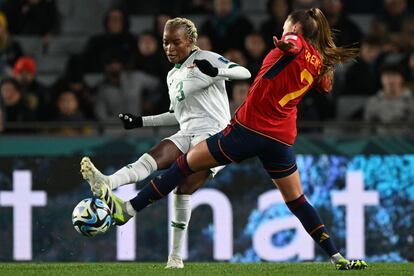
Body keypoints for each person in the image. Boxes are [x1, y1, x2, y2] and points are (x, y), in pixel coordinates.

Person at [82, 9, 368, 270]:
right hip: (280, 139)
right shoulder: (316, 59)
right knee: (297, 200)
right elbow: (326, 87)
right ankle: (337, 257)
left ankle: (128, 210)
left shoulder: (293, 40)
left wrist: (287, 44)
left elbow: (290, 43)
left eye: (285, 27)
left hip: (248, 130)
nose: (282, 32)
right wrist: (323, 61)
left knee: (184, 165)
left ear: (293, 26)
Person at [80, 17, 250, 268]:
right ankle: (107, 182)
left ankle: (175, 256)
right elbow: (175, 115)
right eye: (165, 43)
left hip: (215, 136)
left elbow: (244, 72)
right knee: (152, 157)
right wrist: (140, 121)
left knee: (183, 188)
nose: (169, 48)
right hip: (187, 131)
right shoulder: (172, 75)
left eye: (175, 42)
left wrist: (219, 72)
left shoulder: (206, 58)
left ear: (190, 41)